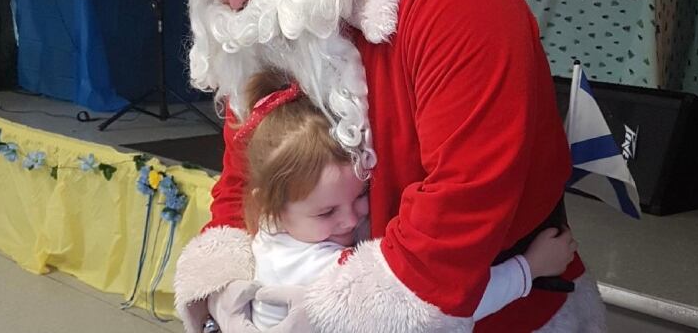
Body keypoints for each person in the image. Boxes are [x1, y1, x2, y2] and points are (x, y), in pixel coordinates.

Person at [147, 0, 608, 331]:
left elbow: (467, 197)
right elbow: (250, 173)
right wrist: (226, 284)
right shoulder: (261, 17)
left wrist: (336, 314)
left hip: (498, 310)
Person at [204, 70, 578, 332]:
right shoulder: (321, 272)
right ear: (271, 208)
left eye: (361, 196)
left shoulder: (279, 234)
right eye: (327, 211)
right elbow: (434, 307)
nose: (351, 220)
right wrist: (528, 269)